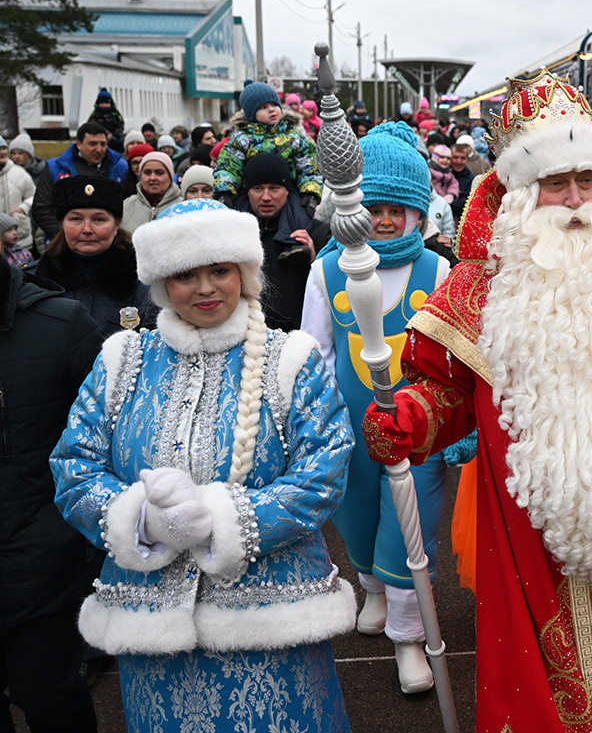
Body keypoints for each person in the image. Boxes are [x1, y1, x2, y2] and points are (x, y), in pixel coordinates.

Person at [360, 71, 592, 732]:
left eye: (585, 180)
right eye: (553, 183)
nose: (572, 199)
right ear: (518, 192)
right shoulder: (478, 290)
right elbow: (444, 388)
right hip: (525, 539)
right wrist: (414, 419)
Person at [50, 198, 357, 733]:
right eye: (186, 274)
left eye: (220, 270)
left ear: (246, 272)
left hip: (270, 622)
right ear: (162, 282)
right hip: (151, 623)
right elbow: (74, 465)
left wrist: (224, 520)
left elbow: (323, 471)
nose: (206, 288)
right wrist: (140, 519)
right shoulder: (121, 359)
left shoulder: (292, 358)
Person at [302, 120, 461, 693]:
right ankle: (370, 586)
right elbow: (316, 353)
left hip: (417, 431)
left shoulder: (437, 270)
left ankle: (409, 636)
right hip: (350, 428)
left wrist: (453, 424)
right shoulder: (325, 271)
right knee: (359, 516)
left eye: (399, 208)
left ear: (420, 212)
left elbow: (453, 355)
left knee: (410, 528)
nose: (386, 219)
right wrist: (316, 423)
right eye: (374, 206)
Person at [0, 256, 104, 733]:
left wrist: (72, 535)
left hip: (42, 563)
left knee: (50, 698)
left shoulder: (60, 324)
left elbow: (105, 442)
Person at [31, 176, 156, 335]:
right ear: (62, 223)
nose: (87, 229)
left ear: (117, 224)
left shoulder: (146, 282)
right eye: (76, 219)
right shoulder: (35, 281)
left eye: (99, 219)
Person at [235, 153, 329, 331]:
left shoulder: (316, 233)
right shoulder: (232, 231)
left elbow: (333, 291)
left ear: (288, 190)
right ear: (247, 192)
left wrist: (316, 260)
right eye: (258, 189)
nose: (266, 197)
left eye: (274, 188)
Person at [214, 80, 322, 216]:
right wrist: (224, 191)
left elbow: (309, 164)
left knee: (298, 219)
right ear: (251, 114)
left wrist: (310, 191)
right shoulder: (242, 139)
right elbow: (228, 167)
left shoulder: (294, 137)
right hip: (252, 195)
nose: (271, 109)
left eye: (274, 105)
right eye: (263, 107)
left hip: (287, 192)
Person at [32, 122, 130, 242]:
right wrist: (65, 235)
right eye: (93, 144)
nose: (99, 149)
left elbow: (127, 206)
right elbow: (42, 207)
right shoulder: (55, 168)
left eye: (103, 144)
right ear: (79, 144)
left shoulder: (120, 166)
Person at [121, 151, 182, 232]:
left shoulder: (183, 206)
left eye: (159, 173)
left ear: (170, 176)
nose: (152, 178)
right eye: (147, 172)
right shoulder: (126, 205)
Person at [1, 137, 35, 253]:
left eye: (4, 148)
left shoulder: (20, 173)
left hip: (20, 239)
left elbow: (34, 196)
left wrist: (23, 208)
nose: (2, 152)